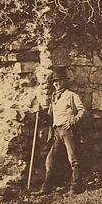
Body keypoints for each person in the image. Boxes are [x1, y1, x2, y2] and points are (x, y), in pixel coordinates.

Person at [41, 67, 86, 195]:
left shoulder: (71, 95)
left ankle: (75, 187)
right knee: (51, 159)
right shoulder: (54, 97)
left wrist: (71, 121)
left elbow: (82, 110)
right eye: (55, 82)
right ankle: (46, 188)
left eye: (59, 81)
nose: (57, 84)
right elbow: (51, 116)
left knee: (73, 158)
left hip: (67, 131)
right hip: (57, 132)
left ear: (64, 81)